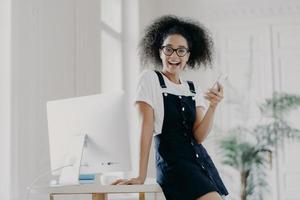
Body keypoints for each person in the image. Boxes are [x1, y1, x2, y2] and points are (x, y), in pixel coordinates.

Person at [112, 15, 229, 200]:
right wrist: (140, 175)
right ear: (160, 52)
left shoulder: (193, 88)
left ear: (188, 55)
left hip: (201, 165)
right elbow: (145, 128)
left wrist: (213, 106)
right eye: (168, 49)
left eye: (181, 50)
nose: (174, 56)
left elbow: (199, 136)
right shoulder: (150, 79)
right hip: (174, 168)